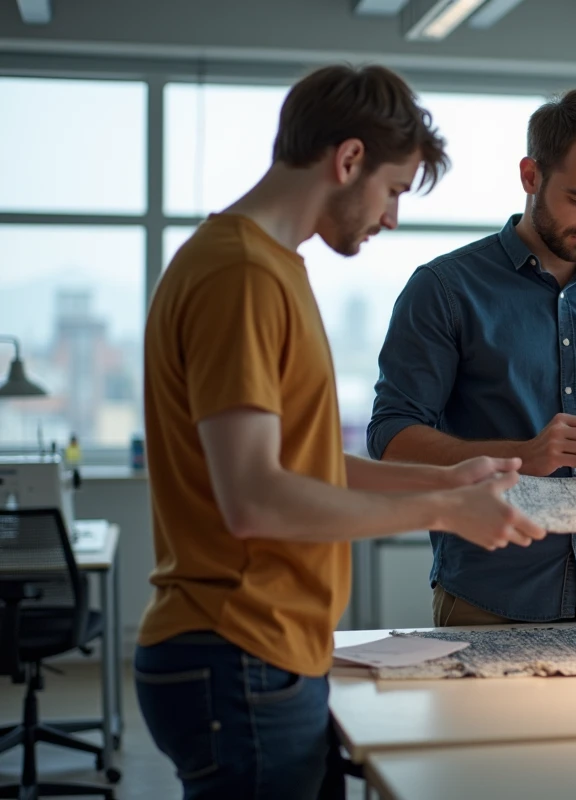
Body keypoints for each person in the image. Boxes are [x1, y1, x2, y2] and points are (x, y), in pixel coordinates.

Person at [134, 64, 545, 800]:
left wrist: (446, 478)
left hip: (261, 648)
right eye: (392, 190)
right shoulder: (242, 275)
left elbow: (305, 464)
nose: (391, 217)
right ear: (348, 160)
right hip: (238, 645)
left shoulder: (270, 267)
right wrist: (445, 511)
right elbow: (255, 500)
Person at [368, 88, 576, 627]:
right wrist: (522, 454)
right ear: (530, 176)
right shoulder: (444, 289)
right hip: (489, 599)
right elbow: (391, 437)